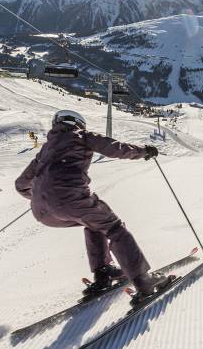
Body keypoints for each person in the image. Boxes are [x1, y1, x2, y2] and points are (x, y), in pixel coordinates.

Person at [15, 109, 169, 305]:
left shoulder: (44, 150)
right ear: (79, 124)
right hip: (71, 199)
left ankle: (103, 273)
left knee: (94, 223)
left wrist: (42, 197)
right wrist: (144, 151)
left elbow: (21, 184)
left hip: (42, 212)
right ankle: (143, 281)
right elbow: (116, 148)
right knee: (114, 228)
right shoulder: (82, 136)